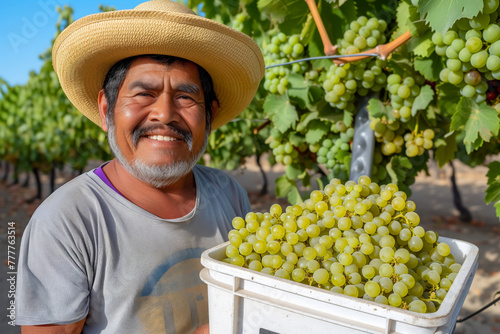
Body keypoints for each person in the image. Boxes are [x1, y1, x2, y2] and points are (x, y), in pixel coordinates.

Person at [15, 0, 264, 333]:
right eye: (144, 93)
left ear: (211, 114)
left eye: (186, 97)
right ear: (107, 108)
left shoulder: (229, 194)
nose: (164, 114)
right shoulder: (67, 220)